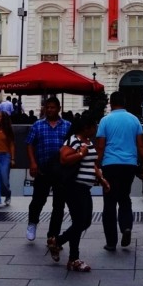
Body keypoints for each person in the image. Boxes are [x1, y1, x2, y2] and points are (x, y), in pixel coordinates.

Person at [48, 111, 109, 272]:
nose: (96, 129)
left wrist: (101, 179)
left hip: (84, 187)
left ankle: (65, 249)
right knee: (81, 222)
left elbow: (91, 164)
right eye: (94, 126)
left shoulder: (87, 141)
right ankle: (67, 251)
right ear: (86, 127)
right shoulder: (74, 140)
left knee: (83, 221)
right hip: (74, 187)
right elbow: (64, 158)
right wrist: (81, 153)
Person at [95, 91, 143, 251]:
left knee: (109, 202)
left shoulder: (105, 120)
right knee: (124, 198)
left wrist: (96, 165)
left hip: (110, 165)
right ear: (124, 103)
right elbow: (141, 145)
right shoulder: (134, 120)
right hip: (129, 165)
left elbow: (100, 146)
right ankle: (126, 226)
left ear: (111, 103)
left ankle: (111, 242)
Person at [25, 96, 71, 243]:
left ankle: (53, 235)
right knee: (38, 200)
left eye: (52, 107)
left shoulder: (67, 125)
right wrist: (32, 163)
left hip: (61, 170)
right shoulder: (37, 125)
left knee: (58, 204)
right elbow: (29, 144)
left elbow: (72, 145)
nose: (50, 110)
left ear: (58, 109)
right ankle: (32, 222)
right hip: (42, 169)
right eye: (47, 107)